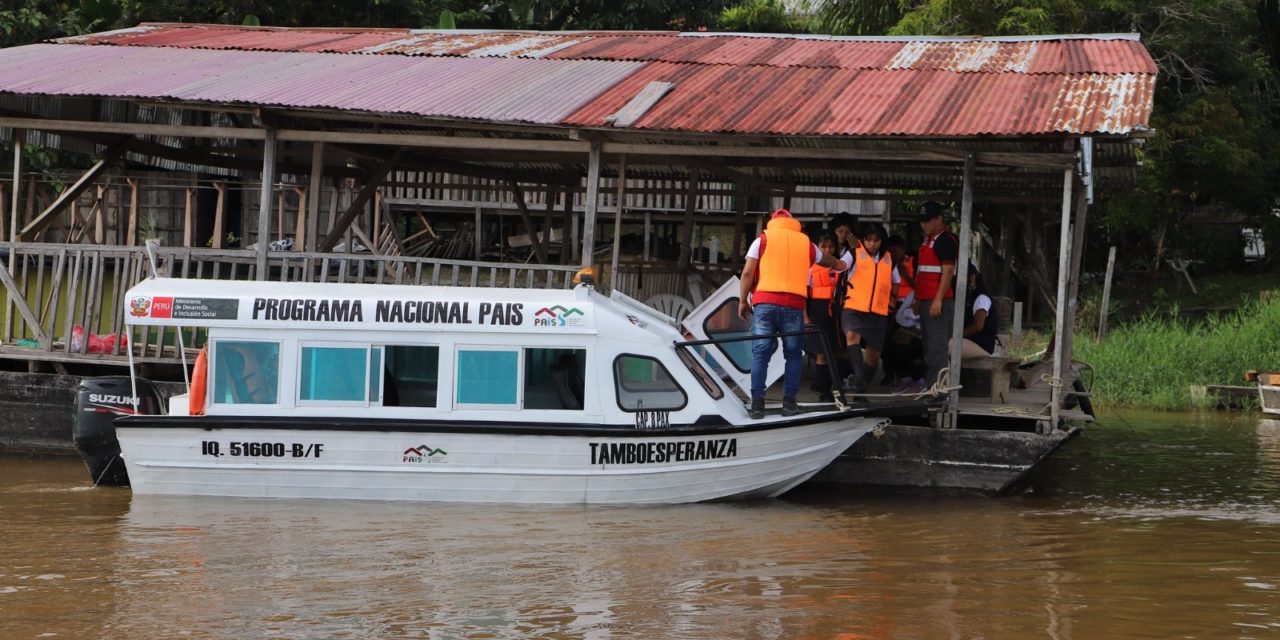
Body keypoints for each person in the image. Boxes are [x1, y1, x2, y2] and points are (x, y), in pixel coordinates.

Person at [739, 209, 846, 419]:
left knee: (760, 353)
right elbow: (828, 260)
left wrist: (742, 300)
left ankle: (758, 404)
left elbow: (747, 273)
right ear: (792, 223)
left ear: (773, 222)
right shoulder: (805, 243)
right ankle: (789, 403)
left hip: (765, 304)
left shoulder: (762, 240)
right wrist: (841, 263)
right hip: (793, 306)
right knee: (793, 355)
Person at [841, 222, 899, 394]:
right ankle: (858, 377)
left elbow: (896, 281)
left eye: (876, 240)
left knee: (873, 359)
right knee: (851, 336)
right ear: (862, 240)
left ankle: (860, 392)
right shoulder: (853, 254)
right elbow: (840, 265)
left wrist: (892, 302)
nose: (872, 244)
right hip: (853, 306)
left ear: (882, 241)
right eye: (868, 240)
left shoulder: (889, 258)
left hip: (878, 312)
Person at [914, 201, 958, 389]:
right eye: (922, 221)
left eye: (928, 221)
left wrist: (938, 300)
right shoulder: (928, 240)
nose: (924, 225)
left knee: (937, 347)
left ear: (939, 219)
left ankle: (938, 389)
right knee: (929, 346)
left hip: (937, 301)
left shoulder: (945, 240)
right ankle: (933, 385)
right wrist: (918, 298)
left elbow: (947, 272)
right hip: (926, 300)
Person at [805, 235, 841, 402]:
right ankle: (823, 391)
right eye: (823, 247)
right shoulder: (810, 268)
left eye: (831, 247)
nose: (827, 250)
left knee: (835, 352)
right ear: (818, 248)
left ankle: (836, 387)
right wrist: (805, 317)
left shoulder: (841, 267)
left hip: (837, 312)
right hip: (818, 312)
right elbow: (804, 295)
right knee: (821, 352)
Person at [883, 290, 927, 393]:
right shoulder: (913, 293)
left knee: (907, 348)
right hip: (908, 331)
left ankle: (919, 381)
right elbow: (899, 317)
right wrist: (911, 314)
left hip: (924, 335)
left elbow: (920, 315)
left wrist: (911, 313)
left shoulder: (932, 295)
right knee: (887, 347)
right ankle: (906, 380)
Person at [961, 265, 1001, 358]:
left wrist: (958, 334)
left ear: (972, 277)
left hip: (981, 345)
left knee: (947, 346)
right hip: (971, 341)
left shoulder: (981, 298)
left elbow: (978, 326)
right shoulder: (971, 297)